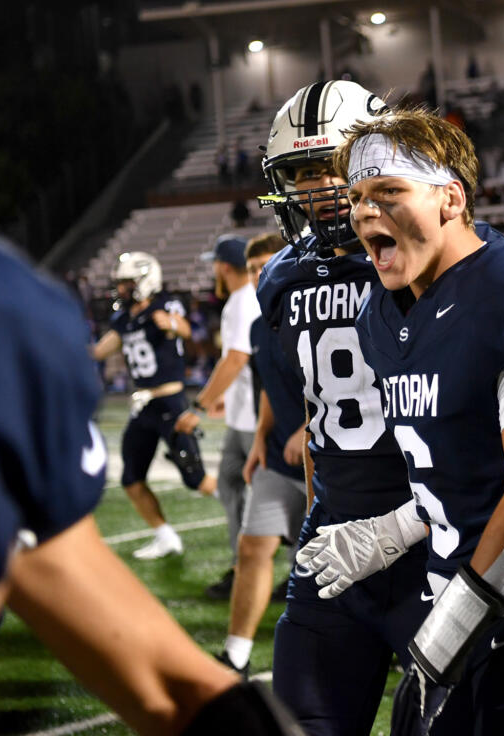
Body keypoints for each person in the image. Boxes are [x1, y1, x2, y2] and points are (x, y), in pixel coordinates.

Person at [0, 211, 301, 736]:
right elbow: (169, 688)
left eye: (130, 282)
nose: (123, 289)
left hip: (176, 401)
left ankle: (252, 544)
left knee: (206, 483)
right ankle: (177, 536)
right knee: (141, 478)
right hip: (151, 407)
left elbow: (57, 568)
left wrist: (198, 395)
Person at [317, 108, 504, 735]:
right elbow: (458, 477)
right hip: (452, 603)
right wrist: (392, 531)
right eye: (357, 197)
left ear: (450, 198)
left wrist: (439, 646)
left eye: (389, 192)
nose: (364, 212)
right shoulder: (385, 313)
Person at [256, 80, 433, 736]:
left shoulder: (427, 261)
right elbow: (314, 420)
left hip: (431, 540)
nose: (317, 189)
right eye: (300, 174)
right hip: (333, 541)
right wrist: (317, 515)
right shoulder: (281, 278)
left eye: (329, 169)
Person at [218, 232, 308, 677]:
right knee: (252, 547)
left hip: (326, 460)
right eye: (252, 268)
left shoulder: (312, 313)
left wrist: (308, 429)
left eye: (266, 265)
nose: (258, 275)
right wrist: (259, 439)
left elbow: (354, 385)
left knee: (330, 564)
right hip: (276, 456)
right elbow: (269, 388)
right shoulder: (257, 325)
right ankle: (235, 654)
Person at [91, 251, 216, 560]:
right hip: (143, 406)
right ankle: (166, 536)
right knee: (131, 479)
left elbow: (186, 330)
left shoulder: (165, 306)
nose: (122, 290)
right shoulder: (124, 318)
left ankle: (251, 510)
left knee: (196, 479)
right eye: (121, 284)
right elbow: (99, 351)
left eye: (127, 283)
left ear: (146, 281)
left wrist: (172, 323)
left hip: (170, 403)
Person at [175, 235, 260, 599]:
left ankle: (274, 569)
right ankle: (243, 566)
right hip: (244, 415)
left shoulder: (243, 300)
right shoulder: (242, 300)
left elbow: (237, 358)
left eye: (215, 264)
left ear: (224, 266)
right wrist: (222, 397)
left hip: (256, 421)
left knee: (277, 495)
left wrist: (199, 406)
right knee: (231, 487)